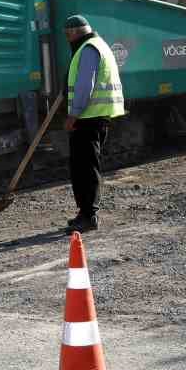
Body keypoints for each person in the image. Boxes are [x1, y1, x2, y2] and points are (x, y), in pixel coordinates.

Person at [61, 15, 125, 233]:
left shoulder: (88, 49)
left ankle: (89, 216)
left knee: (85, 168)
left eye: (67, 35)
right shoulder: (99, 44)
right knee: (84, 166)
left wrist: (73, 115)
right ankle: (84, 212)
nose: (67, 40)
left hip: (87, 118)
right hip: (94, 117)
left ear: (73, 33)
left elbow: (84, 85)